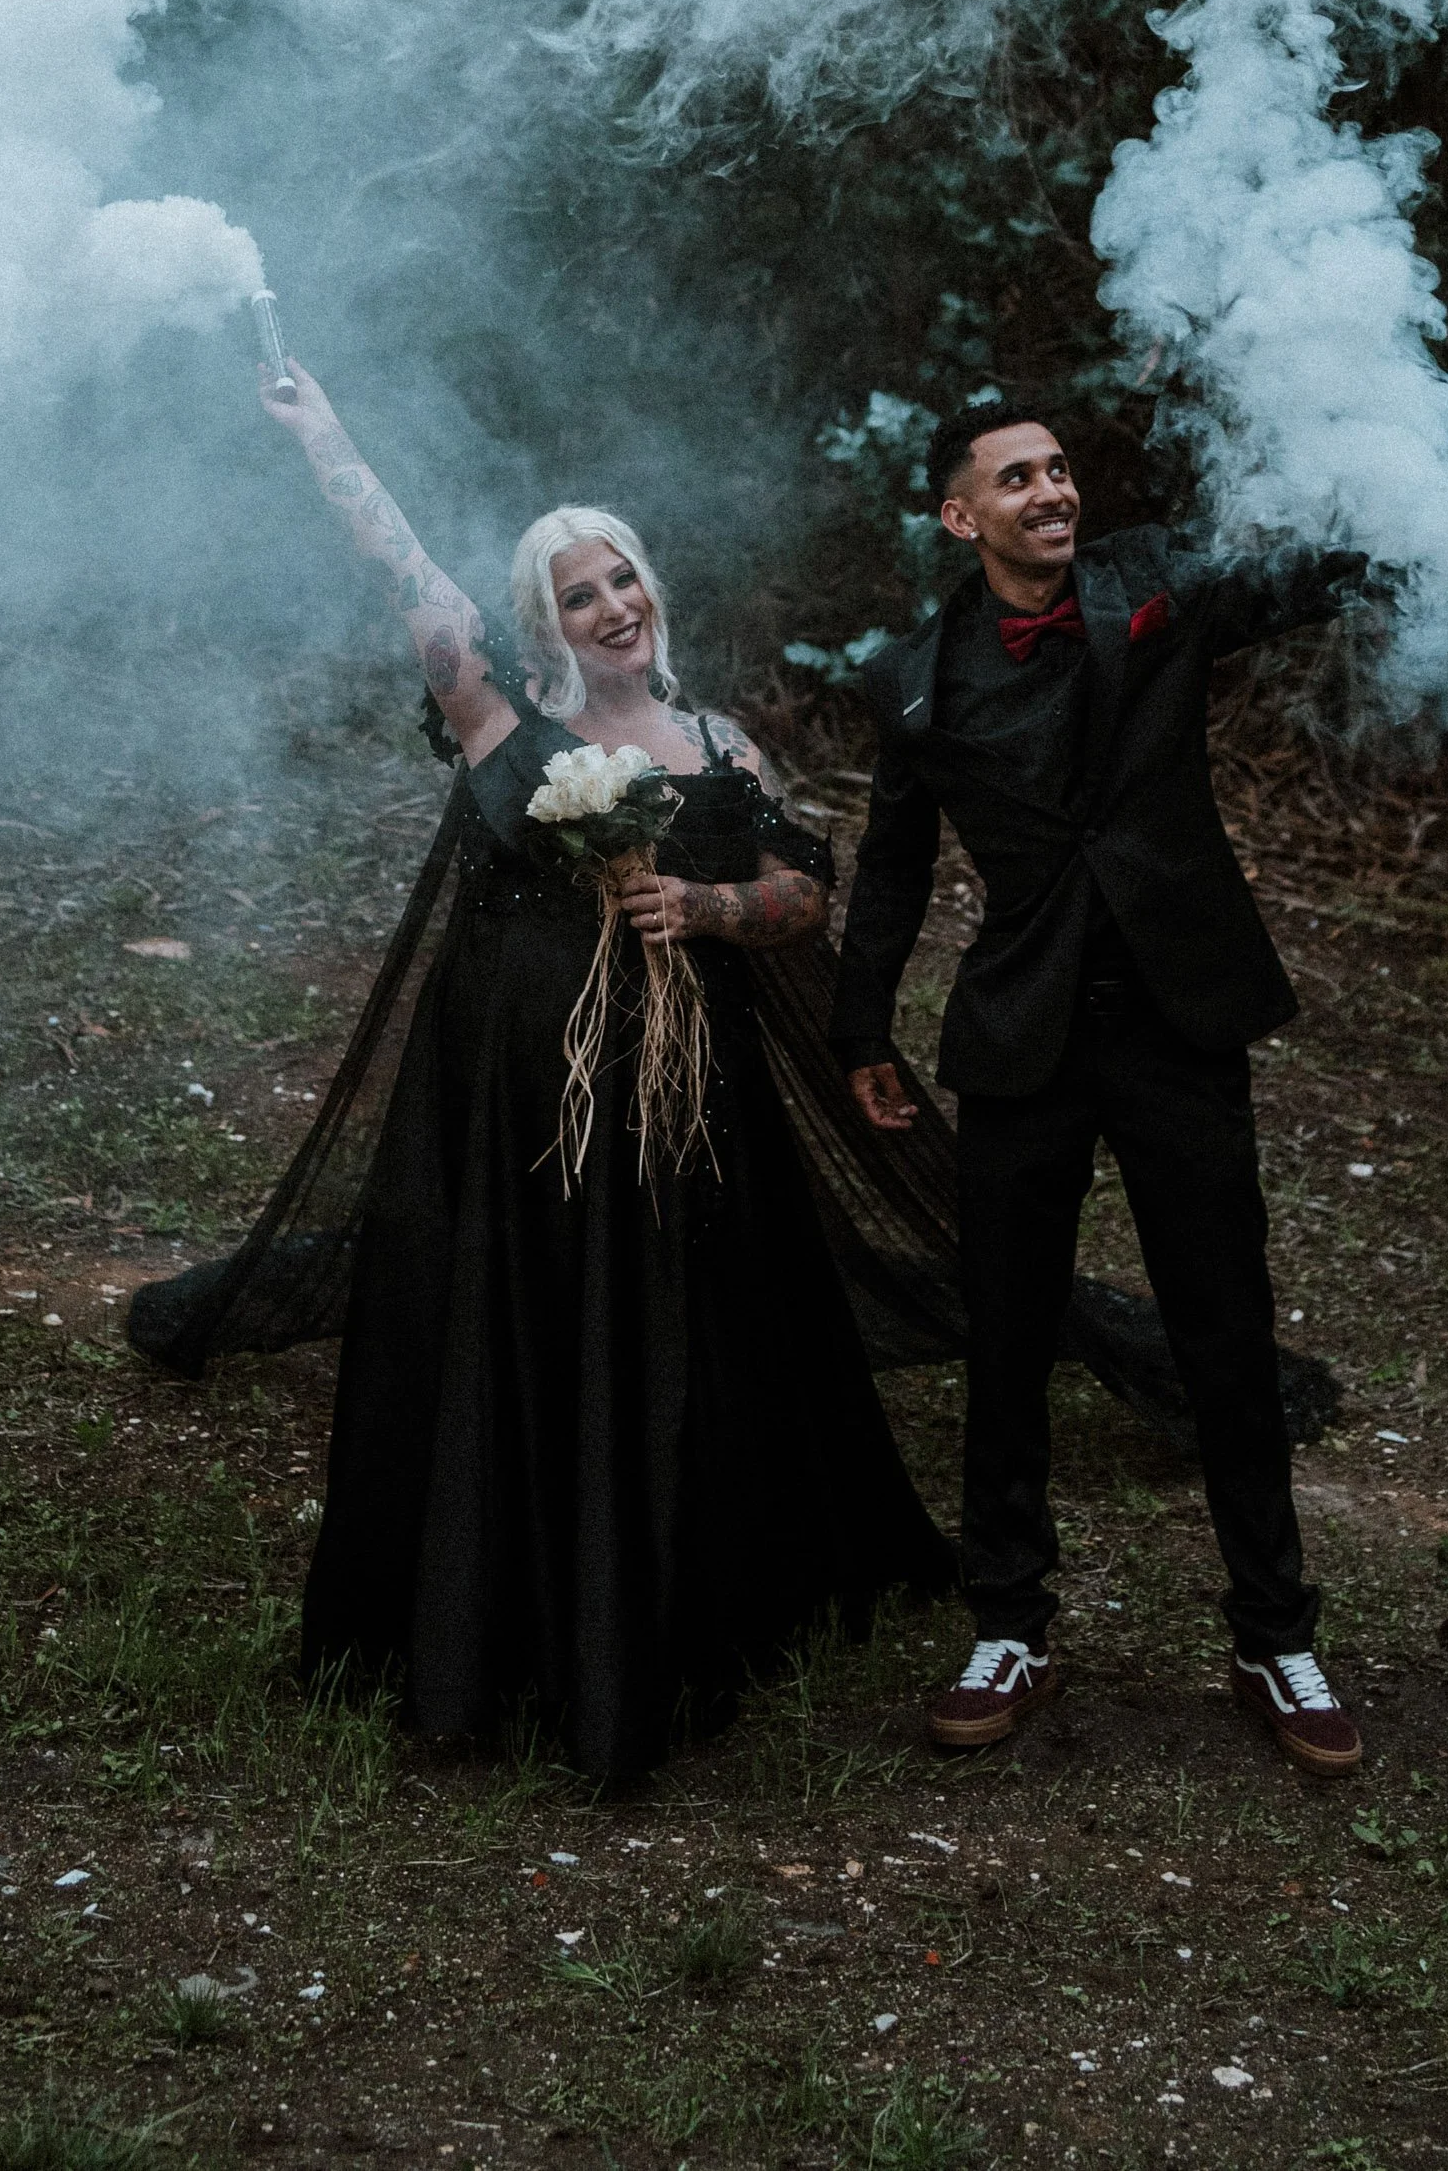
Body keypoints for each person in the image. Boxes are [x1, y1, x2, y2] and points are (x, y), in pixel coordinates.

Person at [828, 397, 1448, 1778]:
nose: (1053, 491)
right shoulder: (914, 678)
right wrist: (863, 1029)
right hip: (1023, 1038)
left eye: (1059, 468)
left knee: (1225, 1332)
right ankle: (1009, 1625)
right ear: (960, 516)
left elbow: (1328, 564)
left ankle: (1275, 1634)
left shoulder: (1154, 583)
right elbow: (896, 863)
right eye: (1017, 478)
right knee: (1008, 1338)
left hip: (1178, 1021)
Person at [259, 362, 949, 1783]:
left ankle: (679, 1592)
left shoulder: (720, 743)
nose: (613, 605)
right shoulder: (500, 717)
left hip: (689, 1096)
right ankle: (510, 1605)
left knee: (684, 1327)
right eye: (579, 595)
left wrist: (708, 906)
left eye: (622, 577)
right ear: (544, 624)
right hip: (524, 1098)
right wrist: (325, 435)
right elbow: (403, 572)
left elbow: (804, 892)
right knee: (530, 1326)